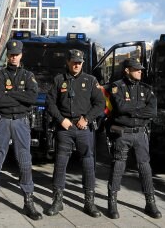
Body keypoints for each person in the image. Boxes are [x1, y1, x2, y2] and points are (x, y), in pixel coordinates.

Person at [0, 39, 42, 221]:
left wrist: (10, 94)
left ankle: (28, 202)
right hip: (2, 122)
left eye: (16, 54)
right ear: (8, 56)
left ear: (21, 55)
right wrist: (19, 98)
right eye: (11, 54)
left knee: (25, 162)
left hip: (21, 123)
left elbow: (32, 97)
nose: (13, 57)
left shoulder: (28, 75)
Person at [45, 49, 105, 218]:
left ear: (83, 63)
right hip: (65, 128)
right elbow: (50, 103)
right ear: (68, 62)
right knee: (60, 164)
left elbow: (100, 103)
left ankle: (89, 202)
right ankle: (57, 201)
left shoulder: (91, 81)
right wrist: (60, 119)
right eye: (73, 61)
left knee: (88, 165)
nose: (76, 64)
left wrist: (87, 118)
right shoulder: (59, 80)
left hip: (83, 128)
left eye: (79, 62)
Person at [106, 58, 162, 219]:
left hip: (140, 134)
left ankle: (150, 203)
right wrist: (140, 107)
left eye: (140, 69)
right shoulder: (117, 87)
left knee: (145, 168)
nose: (140, 71)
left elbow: (152, 111)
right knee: (118, 167)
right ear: (127, 70)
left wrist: (132, 110)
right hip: (122, 133)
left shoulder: (146, 88)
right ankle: (112, 203)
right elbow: (120, 107)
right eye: (136, 69)